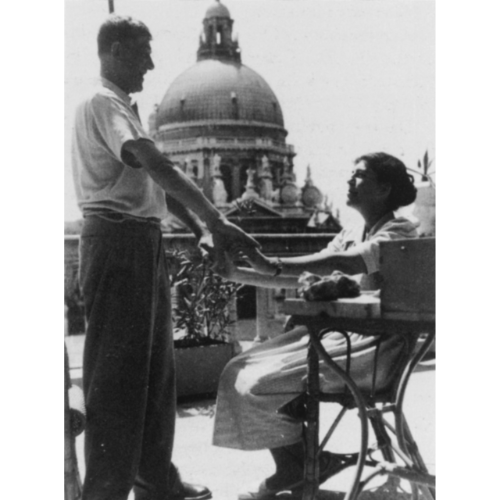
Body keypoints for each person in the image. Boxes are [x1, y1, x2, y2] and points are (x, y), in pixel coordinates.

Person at [71, 15, 258, 500]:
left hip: (142, 239)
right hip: (117, 241)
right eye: (142, 52)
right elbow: (157, 164)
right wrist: (217, 222)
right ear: (114, 50)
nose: (152, 64)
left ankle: (157, 483)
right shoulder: (102, 101)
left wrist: (200, 228)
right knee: (117, 379)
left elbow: (153, 182)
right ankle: (105, 492)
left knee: (156, 373)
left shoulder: (122, 105)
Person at [211, 152, 419, 499]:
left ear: (384, 189)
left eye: (360, 176)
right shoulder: (352, 229)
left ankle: (298, 467)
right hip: (342, 340)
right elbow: (313, 272)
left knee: (260, 383)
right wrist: (237, 273)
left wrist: (268, 263)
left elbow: (340, 262)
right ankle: (300, 465)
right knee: (236, 369)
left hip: (374, 349)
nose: (350, 181)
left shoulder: (399, 231)